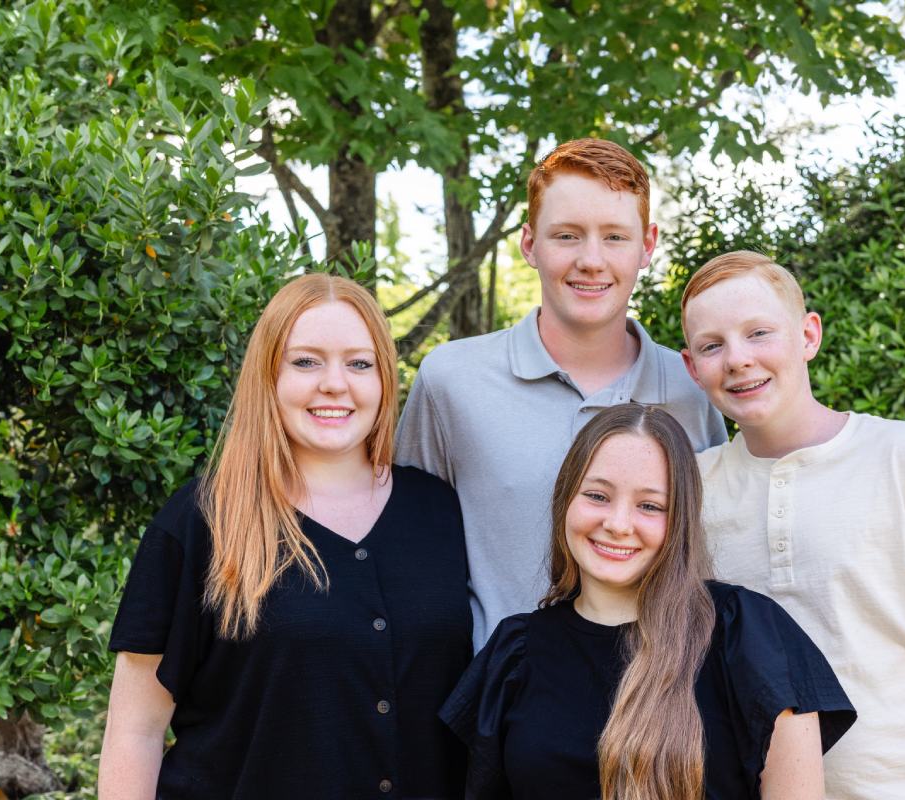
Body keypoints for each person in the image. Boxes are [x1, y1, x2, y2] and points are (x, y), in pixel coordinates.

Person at [680, 251, 905, 799]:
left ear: (808, 335)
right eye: (712, 345)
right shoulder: (690, 489)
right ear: (690, 367)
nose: (737, 360)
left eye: (759, 333)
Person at [97, 274, 472, 799]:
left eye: (359, 363)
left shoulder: (440, 512)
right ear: (267, 374)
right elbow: (135, 731)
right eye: (306, 361)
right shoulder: (204, 520)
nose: (334, 383)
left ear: (385, 378)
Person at [397, 137, 727, 650]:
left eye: (615, 237)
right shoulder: (452, 380)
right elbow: (411, 555)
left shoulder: (693, 386)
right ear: (529, 244)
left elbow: (707, 554)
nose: (591, 260)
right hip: (497, 710)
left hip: (658, 705)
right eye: (567, 236)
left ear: (648, 245)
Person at [440, 403, 855, 799]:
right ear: (566, 499)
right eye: (598, 496)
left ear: (680, 520)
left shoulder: (747, 635)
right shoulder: (516, 653)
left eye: (650, 506)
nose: (618, 524)